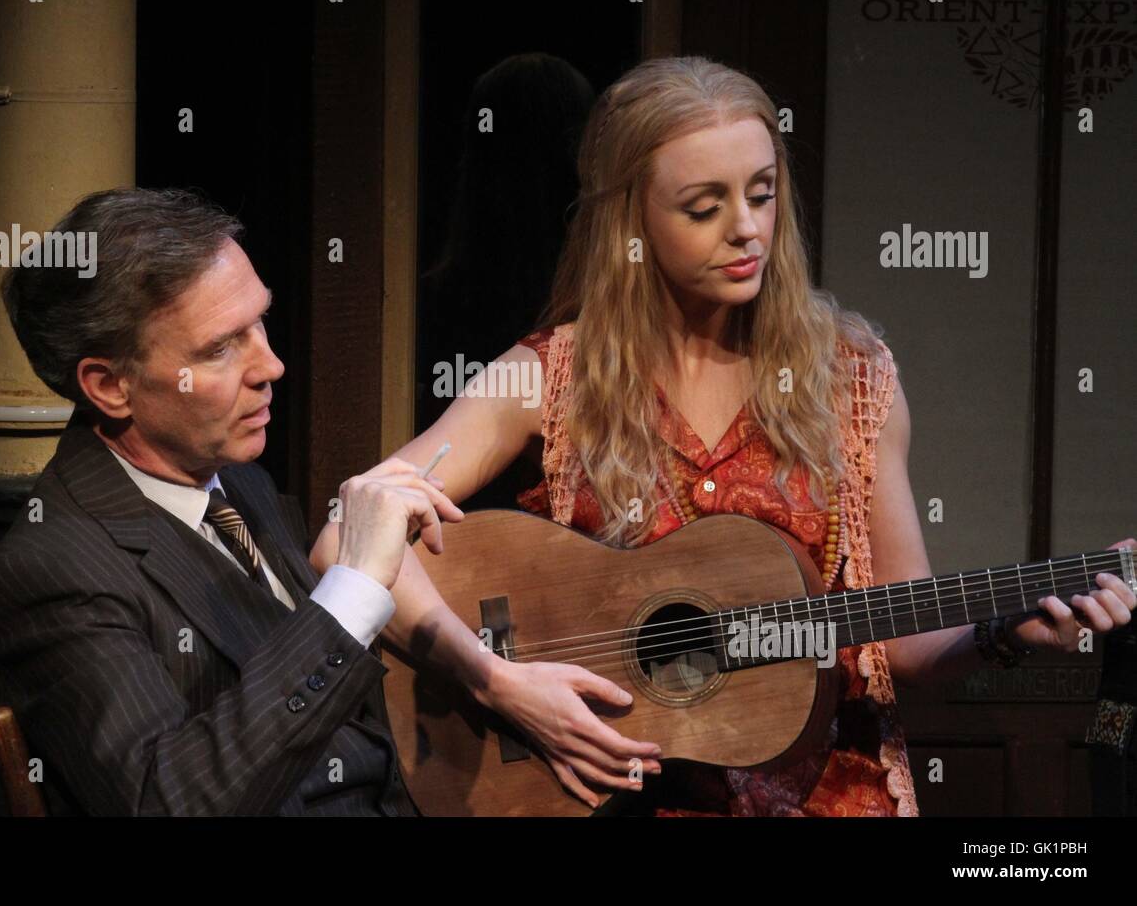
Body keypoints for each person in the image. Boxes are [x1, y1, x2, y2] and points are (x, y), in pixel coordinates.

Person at [311, 56, 1136, 815]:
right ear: (628, 220)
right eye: (703, 207)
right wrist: (494, 680)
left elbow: (907, 645)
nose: (746, 228)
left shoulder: (850, 377)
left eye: (762, 192)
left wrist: (1000, 630)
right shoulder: (552, 379)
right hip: (617, 793)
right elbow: (349, 532)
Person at [0, 188, 462, 816]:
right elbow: (167, 802)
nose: (273, 366)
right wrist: (354, 589)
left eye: (259, 323)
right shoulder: (53, 572)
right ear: (109, 385)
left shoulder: (234, 479)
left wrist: (495, 681)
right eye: (221, 348)